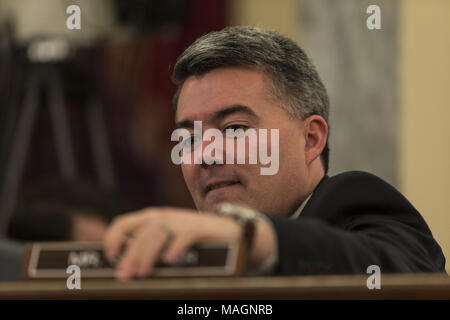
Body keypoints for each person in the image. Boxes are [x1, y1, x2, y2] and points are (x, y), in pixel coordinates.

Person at [103, 26, 446, 279]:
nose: (204, 155)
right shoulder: (186, 253)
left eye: (235, 129)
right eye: (189, 138)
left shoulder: (353, 202)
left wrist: (251, 237)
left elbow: (406, 271)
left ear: (311, 139)